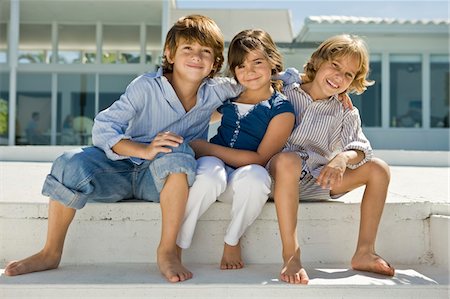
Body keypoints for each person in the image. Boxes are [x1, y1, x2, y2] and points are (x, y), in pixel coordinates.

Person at [4, 15, 243, 283]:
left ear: (215, 63)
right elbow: (104, 128)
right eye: (188, 48)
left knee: (178, 151)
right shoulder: (145, 86)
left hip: (160, 182)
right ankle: (50, 252)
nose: (196, 56)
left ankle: (167, 252)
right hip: (119, 168)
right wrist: (144, 149)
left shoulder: (217, 91)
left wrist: (297, 78)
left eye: (206, 52)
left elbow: (261, 75)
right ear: (170, 53)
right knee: (68, 162)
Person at [268, 34, 395, 284]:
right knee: (288, 160)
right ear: (318, 62)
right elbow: (261, 76)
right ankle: (291, 255)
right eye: (335, 66)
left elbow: (360, 147)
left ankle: (364, 252)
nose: (339, 77)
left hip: (318, 180)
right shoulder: (284, 91)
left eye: (348, 74)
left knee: (379, 169)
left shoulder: (345, 110)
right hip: (277, 177)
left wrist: (342, 158)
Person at [176, 29, 295, 270]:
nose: (249, 71)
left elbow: (261, 158)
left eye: (257, 62)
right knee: (209, 175)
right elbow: (197, 116)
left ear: (273, 62)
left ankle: (232, 240)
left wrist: (205, 148)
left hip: (243, 176)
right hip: (214, 168)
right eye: (240, 65)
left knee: (257, 178)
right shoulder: (229, 96)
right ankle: (177, 242)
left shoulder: (281, 108)